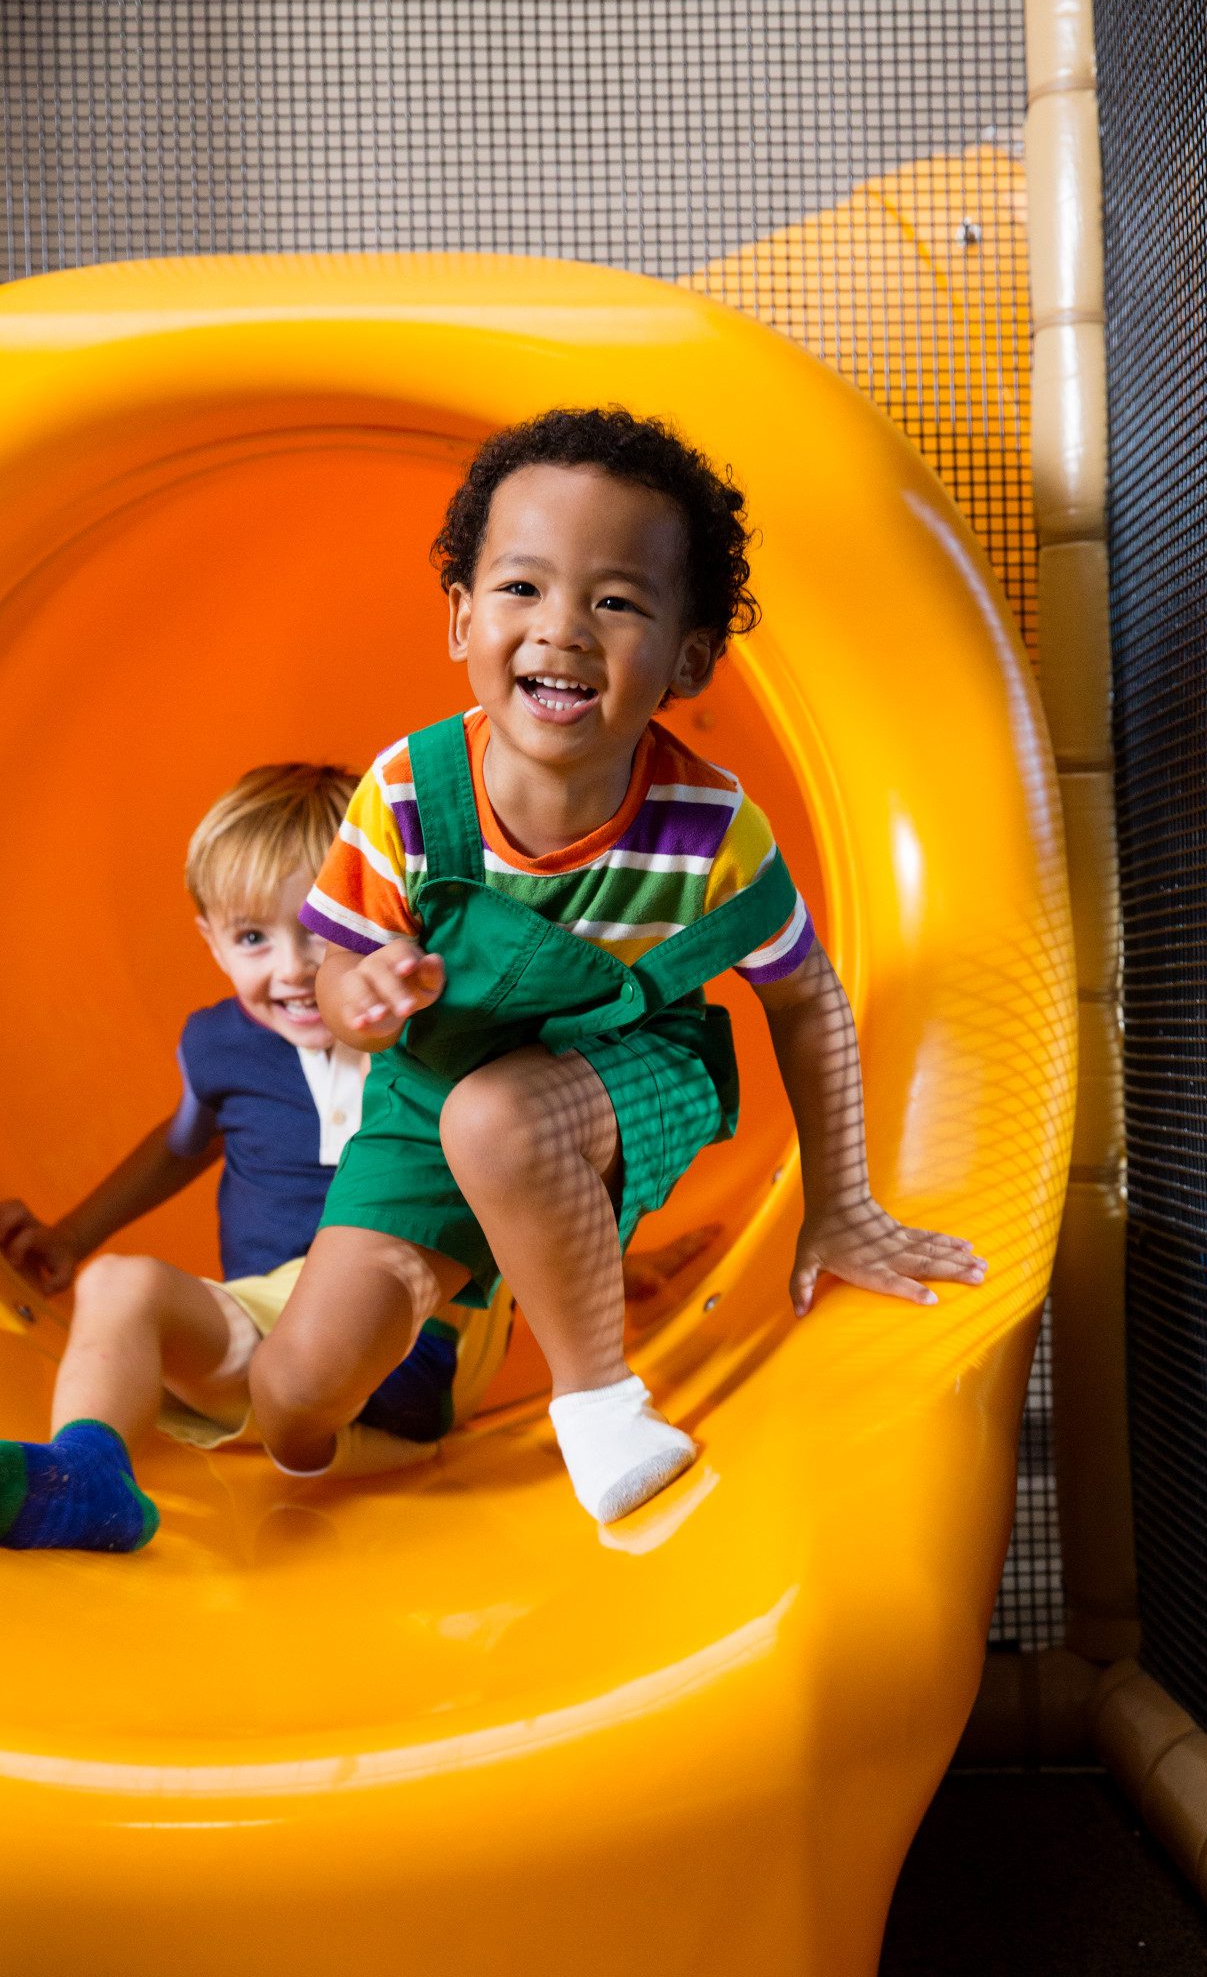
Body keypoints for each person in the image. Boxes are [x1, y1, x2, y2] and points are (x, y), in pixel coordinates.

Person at [251, 406, 987, 1526]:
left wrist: (840, 1202)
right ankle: (448, 1310)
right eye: (523, 589)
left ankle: (597, 1401)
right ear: (460, 618)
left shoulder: (708, 827)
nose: (563, 629)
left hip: (633, 1071)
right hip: (428, 1088)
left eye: (616, 601)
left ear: (688, 656)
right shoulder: (405, 794)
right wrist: (370, 996)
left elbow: (804, 995)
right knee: (293, 1396)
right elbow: (344, 994)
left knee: (500, 1120)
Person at [0, 764, 510, 1553]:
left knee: (431, 1198)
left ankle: (373, 1357)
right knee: (117, 1284)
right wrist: (70, 1238)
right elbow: (180, 1148)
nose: (294, 968)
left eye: (328, 929)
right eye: (251, 938)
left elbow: (524, 1167)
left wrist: (611, 1264)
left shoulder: (433, 1038)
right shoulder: (220, 1046)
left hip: (415, 1342)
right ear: (209, 938)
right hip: (265, 1361)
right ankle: (86, 1477)